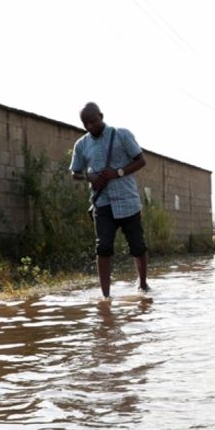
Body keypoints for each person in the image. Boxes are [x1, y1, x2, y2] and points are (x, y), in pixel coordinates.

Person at [70, 102, 150, 299]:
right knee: (103, 247)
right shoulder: (81, 145)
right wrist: (90, 177)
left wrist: (118, 172)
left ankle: (142, 284)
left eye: (93, 121)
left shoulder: (122, 135)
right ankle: (106, 297)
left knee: (137, 246)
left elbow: (141, 160)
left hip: (127, 200)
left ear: (101, 116)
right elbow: (74, 173)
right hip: (102, 203)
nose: (90, 126)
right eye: (85, 123)